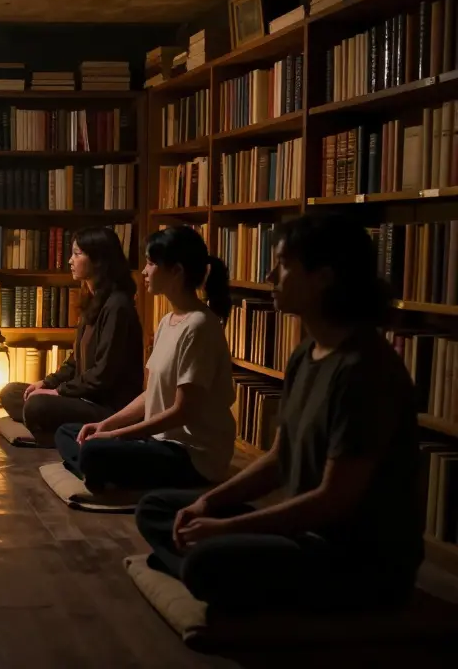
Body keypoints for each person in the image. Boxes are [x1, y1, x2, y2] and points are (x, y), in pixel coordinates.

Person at [136, 213, 422, 614]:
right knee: (157, 509)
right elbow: (279, 458)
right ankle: (206, 567)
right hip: (303, 531)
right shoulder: (306, 353)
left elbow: (333, 500)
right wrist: (209, 504)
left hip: (355, 559)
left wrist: (226, 528)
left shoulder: (364, 370)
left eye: (284, 265)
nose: (270, 275)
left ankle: (198, 567)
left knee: (205, 561)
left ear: (323, 277)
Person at [55, 225, 236, 491]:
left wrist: (116, 436)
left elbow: (183, 411)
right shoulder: (167, 321)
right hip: (158, 442)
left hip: (192, 455)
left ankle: (99, 473)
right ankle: (100, 474)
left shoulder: (199, 326)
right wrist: (104, 425)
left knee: (93, 451)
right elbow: (150, 394)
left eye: (151, 263)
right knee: (68, 432)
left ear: (176, 271)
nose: (144, 271)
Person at [0, 226, 144, 444]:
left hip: (106, 406)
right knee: (11, 393)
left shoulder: (117, 306)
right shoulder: (92, 300)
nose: (70, 260)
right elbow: (75, 362)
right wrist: (46, 383)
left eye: (77, 254)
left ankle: (63, 431)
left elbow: (102, 376)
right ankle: (51, 425)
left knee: (37, 405)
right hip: (83, 397)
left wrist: (58, 392)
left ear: (98, 260)